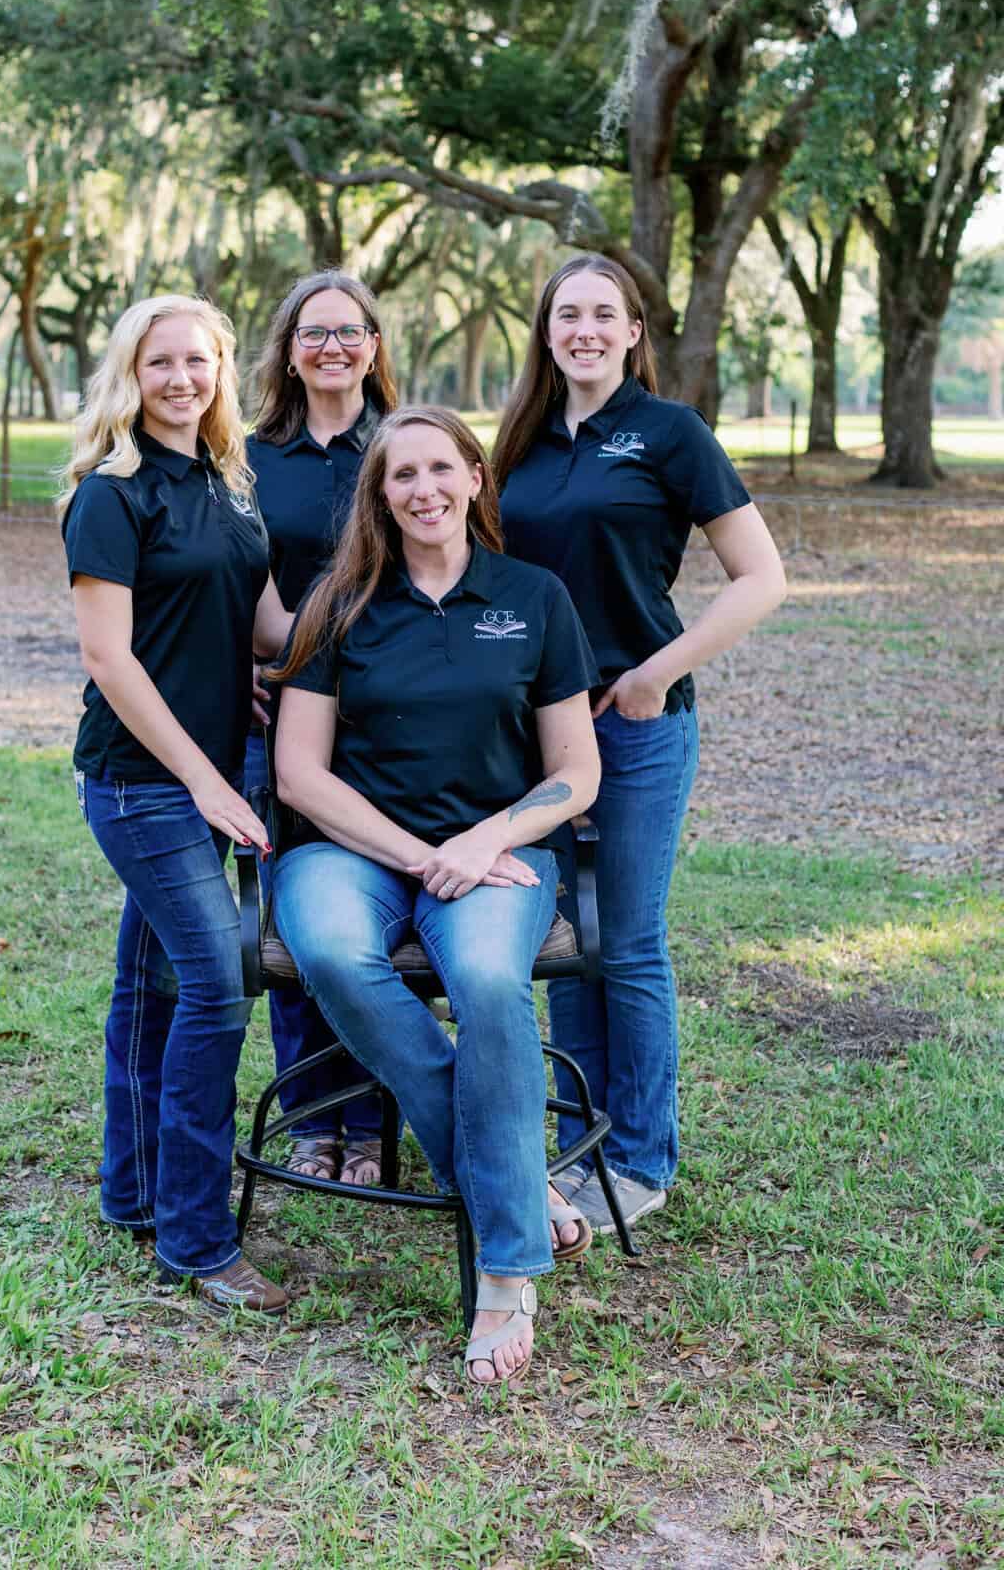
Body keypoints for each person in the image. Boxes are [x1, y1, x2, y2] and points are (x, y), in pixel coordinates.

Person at [269, 407, 602, 1386]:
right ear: (379, 496)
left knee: (494, 983)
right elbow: (299, 774)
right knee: (330, 950)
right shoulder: (339, 602)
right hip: (353, 852)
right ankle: (515, 1184)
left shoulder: (535, 598)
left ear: (473, 478)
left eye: (439, 468)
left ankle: (506, 1271)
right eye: (398, 475)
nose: (422, 489)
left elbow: (575, 771)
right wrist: (421, 856)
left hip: (495, 857)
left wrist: (489, 835)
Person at [494, 254, 787, 1236]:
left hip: (640, 725)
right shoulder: (519, 443)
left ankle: (640, 1155)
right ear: (545, 332)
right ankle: (579, 1142)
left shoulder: (670, 433)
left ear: (631, 333)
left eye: (602, 314)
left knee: (628, 939)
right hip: (540, 731)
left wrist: (659, 670)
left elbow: (759, 576)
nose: (582, 328)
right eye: (565, 313)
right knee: (568, 942)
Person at [58, 293, 292, 1312]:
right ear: (130, 373)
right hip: (141, 780)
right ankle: (198, 1241)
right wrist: (203, 775)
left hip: (210, 770)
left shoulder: (231, 480)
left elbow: (268, 622)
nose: (183, 379)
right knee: (213, 985)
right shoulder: (111, 494)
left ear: (221, 371)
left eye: (199, 361)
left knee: (151, 985)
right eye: (162, 362)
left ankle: (136, 1190)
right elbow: (109, 658)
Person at [245, 271, 398, 1187]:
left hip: (390, 725)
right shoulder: (251, 457)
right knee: (297, 920)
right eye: (314, 333)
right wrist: (239, 665)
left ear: (374, 347)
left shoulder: (406, 446)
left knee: (369, 921)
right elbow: (221, 574)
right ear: (290, 352)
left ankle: (374, 1122)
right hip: (287, 719)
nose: (333, 347)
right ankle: (311, 1115)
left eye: (350, 332)